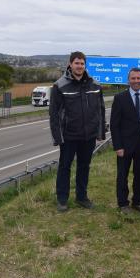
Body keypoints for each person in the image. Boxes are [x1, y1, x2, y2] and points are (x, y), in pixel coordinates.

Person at [49, 51, 106, 212]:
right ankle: (62, 199)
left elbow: (100, 110)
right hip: (68, 136)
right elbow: (54, 114)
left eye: (82, 63)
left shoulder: (95, 85)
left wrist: (100, 132)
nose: (79, 66)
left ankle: (82, 197)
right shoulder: (60, 85)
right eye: (77, 63)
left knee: (84, 166)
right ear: (70, 64)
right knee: (64, 167)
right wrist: (57, 137)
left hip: (88, 136)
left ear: (85, 65)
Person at [110, 67, 140, 213]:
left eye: (138, 78)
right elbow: (114, 124)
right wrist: (118, 146)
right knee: (122, 174)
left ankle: (138, 202)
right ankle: (123, 203)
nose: (136, 81)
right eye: (133, 78)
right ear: (128, 80)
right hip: (125, 144)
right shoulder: (120, 98)